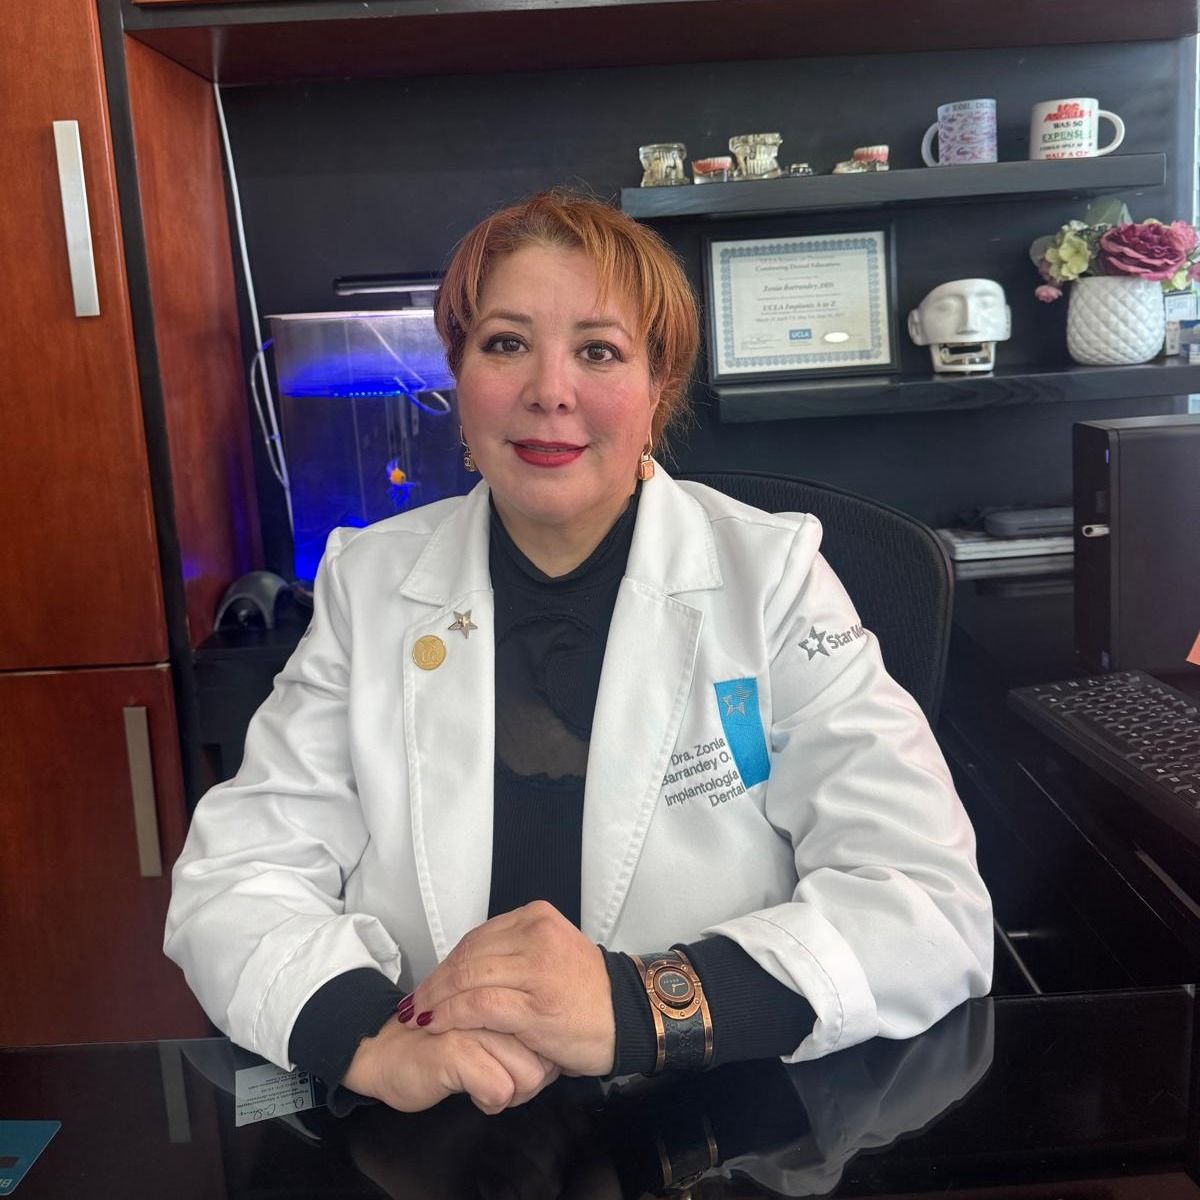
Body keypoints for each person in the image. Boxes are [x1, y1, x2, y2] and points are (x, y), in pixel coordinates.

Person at [165, 190, 992, 1117]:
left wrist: (642, 1009)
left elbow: (927, 904)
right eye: (505, 343)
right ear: (458, 376)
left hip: (712, 1126)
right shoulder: (368, 583)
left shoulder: (774, 577)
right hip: (436, 1127)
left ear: (658, 388)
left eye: (598, 351)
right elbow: (238, 878)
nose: (549, 390)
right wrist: (369, 1037)